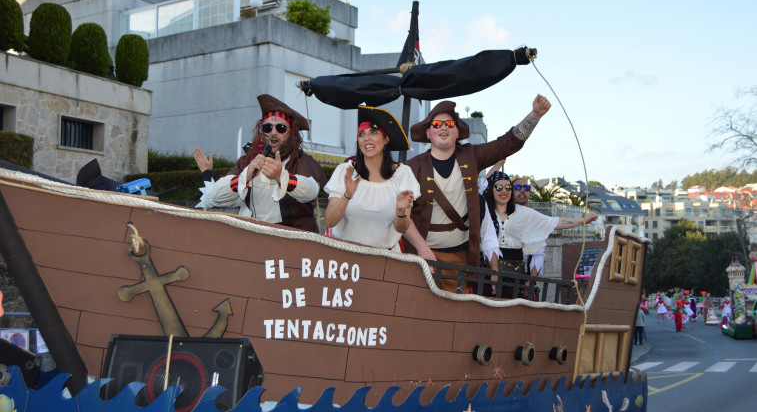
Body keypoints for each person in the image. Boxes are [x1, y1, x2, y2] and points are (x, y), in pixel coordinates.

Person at [402, 96, 551, 293]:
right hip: (424, 255)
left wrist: (535, 115)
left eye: (450, 124)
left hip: (460, 257)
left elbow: (508, 143)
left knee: (455, 314)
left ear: (457, 132)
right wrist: (422, 249)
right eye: (437, 124)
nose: (444, 128)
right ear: (428, 133)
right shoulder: (411, 168)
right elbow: (403, 214)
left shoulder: (471, 155)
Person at [194, 94, 327, 232]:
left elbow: (310, 191)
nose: (273, 133)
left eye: (280, 128)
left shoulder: (302, 160)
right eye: (267, 128)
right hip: (254, 240)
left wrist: (281, 176)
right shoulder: (248, 161)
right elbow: (215, 197)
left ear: (292, 133)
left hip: (293, 242)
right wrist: (244, 178)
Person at [323, 106, 420, 251]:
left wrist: (401, 210)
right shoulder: (346, 171)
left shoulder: (403, 174)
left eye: (373, 132)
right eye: (361, 134)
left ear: (386, 139)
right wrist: (347, 196)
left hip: (385, 260)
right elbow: (329, 221)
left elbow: (402, 228)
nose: (366, 138)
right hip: (344, 258)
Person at [482, 171, 599, 284]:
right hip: (487, 273)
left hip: (516, 276)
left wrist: (583, 220)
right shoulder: (484, 212)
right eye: (498, 187)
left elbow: (553, 222)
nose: (504, 191)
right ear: (491, 189)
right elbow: (483, 182)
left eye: (507, 187)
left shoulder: (524, 213)